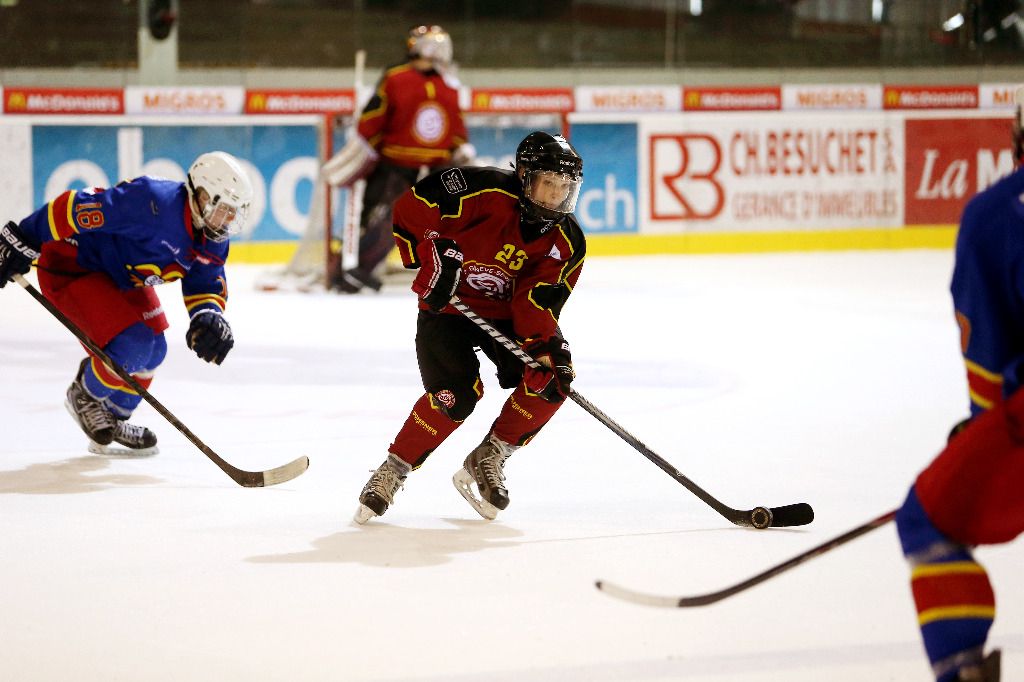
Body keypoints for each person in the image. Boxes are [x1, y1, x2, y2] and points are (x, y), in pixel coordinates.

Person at [353, 131, 585, 523]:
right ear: (525, 176)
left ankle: (490, 454)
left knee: (552, 379)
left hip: (505, 317)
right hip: (449, 309)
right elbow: (410, 209)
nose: (555, 198)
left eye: (565, 188)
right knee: (455, 396)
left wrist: (547, 345)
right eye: (549, 184)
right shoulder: (477, 189)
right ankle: (393, 468)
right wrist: (434, 256)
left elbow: (535, 301)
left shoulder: (566, 243)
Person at [0, 151, 254, 455]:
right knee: (133, 345)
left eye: (233, 212)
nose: (227, 219)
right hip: (73, 265)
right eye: (224, 209)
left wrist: (207, 314)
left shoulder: (212, 235)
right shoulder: (151, 203)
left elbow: (204, 279)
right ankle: (85, 396)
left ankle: (113, 416)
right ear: (201, 195)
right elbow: (75, 207)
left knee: (155, 350)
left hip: (117, 276)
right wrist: (23, 236)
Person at [893, 103, 1024, 682]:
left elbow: (988, 356)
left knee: (928, 519)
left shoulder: (997, 215)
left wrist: (982, 427)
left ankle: (964, 672)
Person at [322, 24, 474, 294]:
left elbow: (456, 124)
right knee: (384, 219)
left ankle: (458, 272)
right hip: (396, 164)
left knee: (449, 218)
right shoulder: (396, 77)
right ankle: (354, 270)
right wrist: (364, 140)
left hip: (438, 165)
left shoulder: (448, 83)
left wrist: (460, 147)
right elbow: (374, 116)